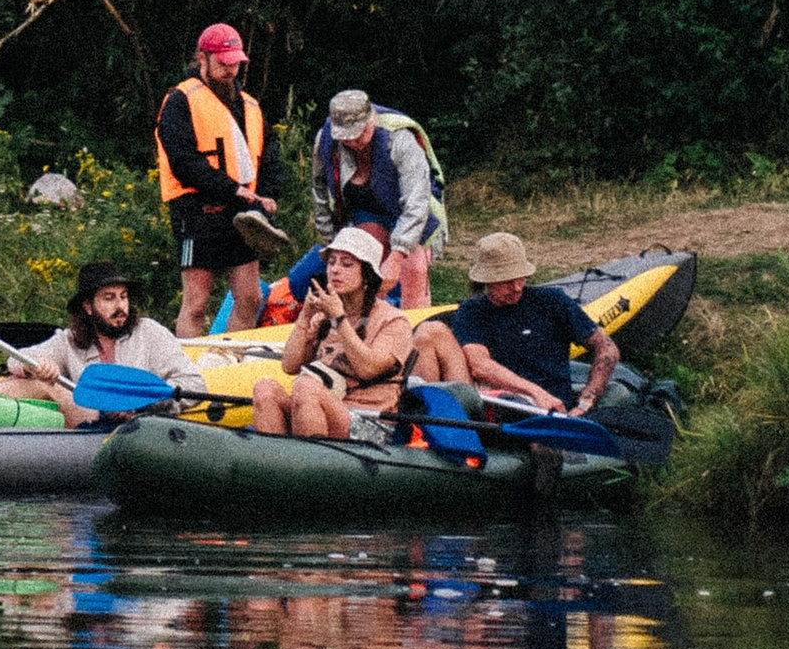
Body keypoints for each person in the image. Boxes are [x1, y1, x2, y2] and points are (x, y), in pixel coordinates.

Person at [261, 226, 474, 440]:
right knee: (265, 389)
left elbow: (367, 369)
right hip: (326, 407)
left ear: (367, 275)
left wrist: (340, 320)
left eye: (346, 264)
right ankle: (276, 464)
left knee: (307, 388)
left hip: (371, 420)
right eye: (332, 262)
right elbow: (289, 366)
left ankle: (313, 466)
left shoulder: (392, 321)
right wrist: (305, 317)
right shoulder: (322, 318)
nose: (335, 270)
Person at [154, 25, 290, 339]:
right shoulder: (180, 99)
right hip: (197, 209)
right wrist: (232, 189)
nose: (229, 68)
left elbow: (269, 156)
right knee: (197, 303)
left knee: (251, 298)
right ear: (203, 57)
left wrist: (268, 195)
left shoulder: (251, 106)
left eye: (235, 62)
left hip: (243, 214)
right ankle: (185, 372)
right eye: (223, 61)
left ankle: (222, 361)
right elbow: (183, 161)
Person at [0, 262, 207, 418]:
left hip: (145, 431)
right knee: (38, 386)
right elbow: (18, 359)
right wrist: (36, 367)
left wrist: (141, 404)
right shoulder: (69, 341)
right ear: (88, 307)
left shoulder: (150, 333)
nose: (120, 307)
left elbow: (194, 384)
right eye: (109, 298)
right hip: (91, 432)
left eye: (123, 296)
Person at [451, 233, 619, 417]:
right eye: (507, 281)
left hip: (557, 407)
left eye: (521, 278)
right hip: (509, 405)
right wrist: (535, 393)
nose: (516, 287)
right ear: (487, 281)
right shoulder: (472, 311)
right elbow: (480, 365)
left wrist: (586, 401)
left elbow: (606, 347)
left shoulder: (551, 301)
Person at [310, 88, 448, 312]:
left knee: (413, 268)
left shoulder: (400, 138)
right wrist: (329, 239)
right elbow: (319, 191)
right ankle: (373, 328)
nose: (354, 142)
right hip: (367, 210)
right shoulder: (326, 140)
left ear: (371, 119)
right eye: (347, 137)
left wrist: (397, 256)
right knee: (368, 271)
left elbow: (417, 202)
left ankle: (417, 328)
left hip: (415, 210)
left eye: (360, 133)